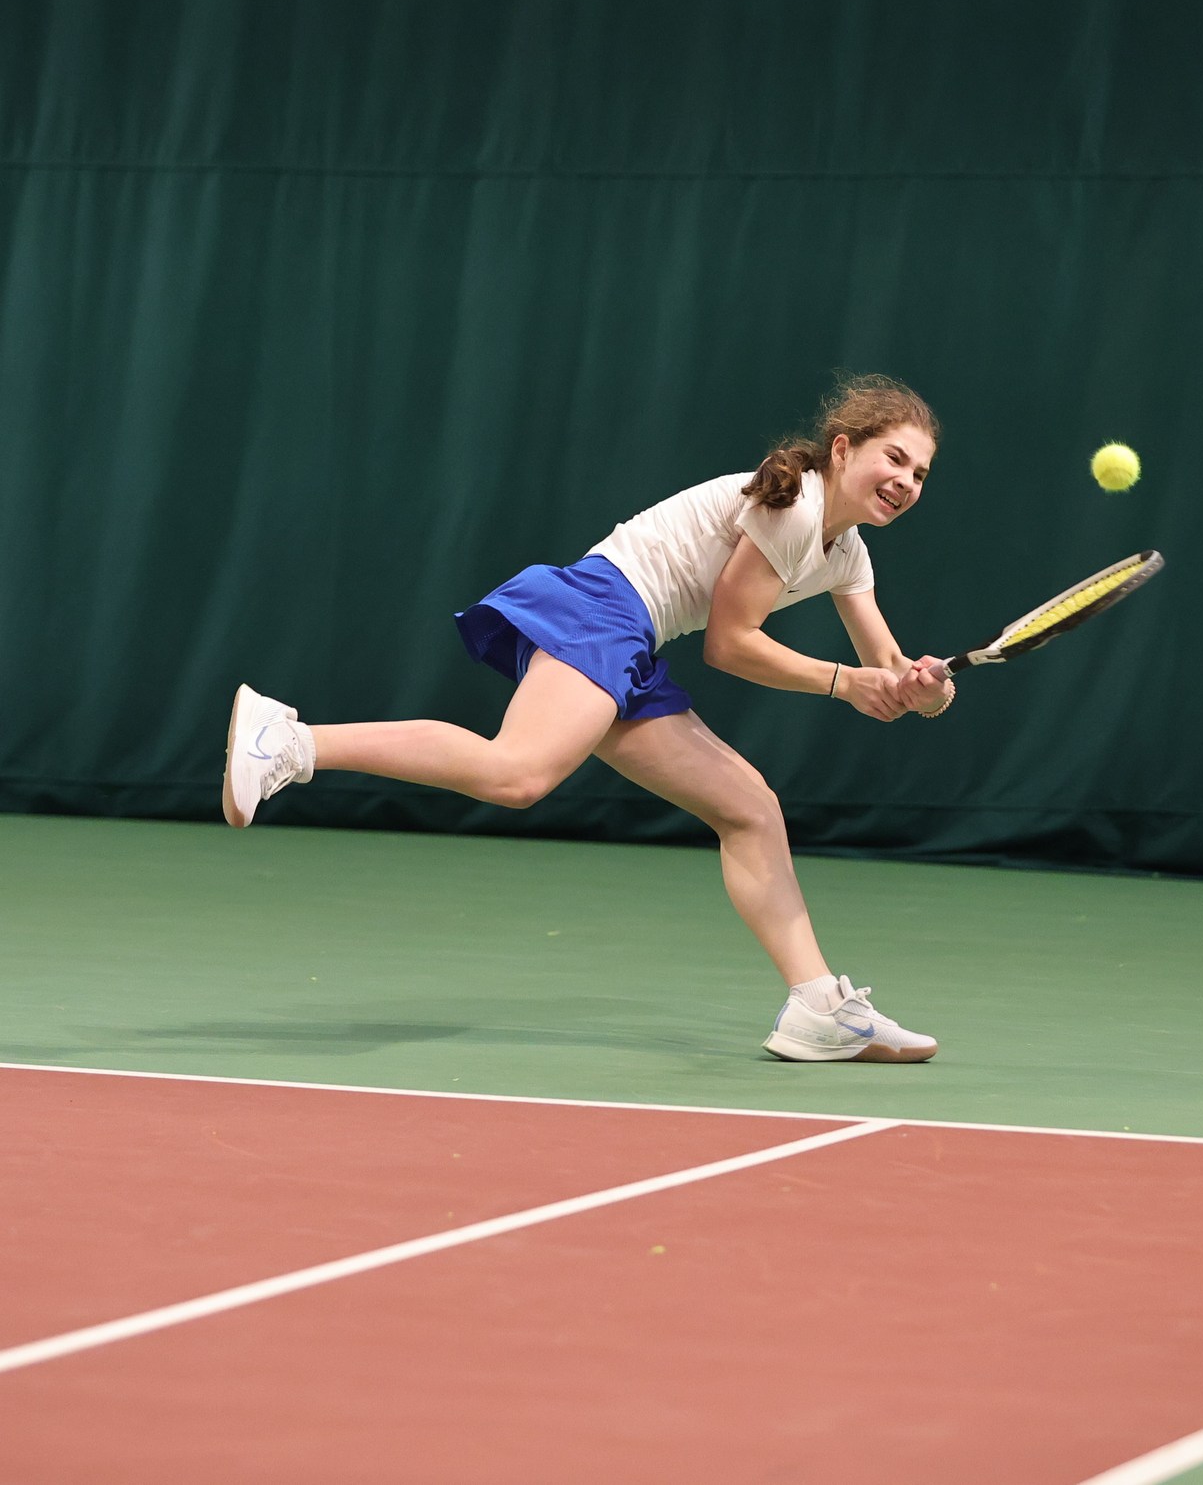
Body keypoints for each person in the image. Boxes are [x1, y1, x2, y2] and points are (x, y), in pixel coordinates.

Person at [223, 374, 956, 1062]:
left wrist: (925, 690)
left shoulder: (847, 554)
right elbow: (731, 645)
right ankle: (287, 741)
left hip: (632, 638)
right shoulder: (794, 507)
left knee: (750, 810)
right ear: (842, 449)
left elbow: (889, 668)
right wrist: (844, 683)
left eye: (920, 473)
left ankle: (818, 1006)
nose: (906, 481)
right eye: (894, 458)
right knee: (517, 773)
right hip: (605, 606)